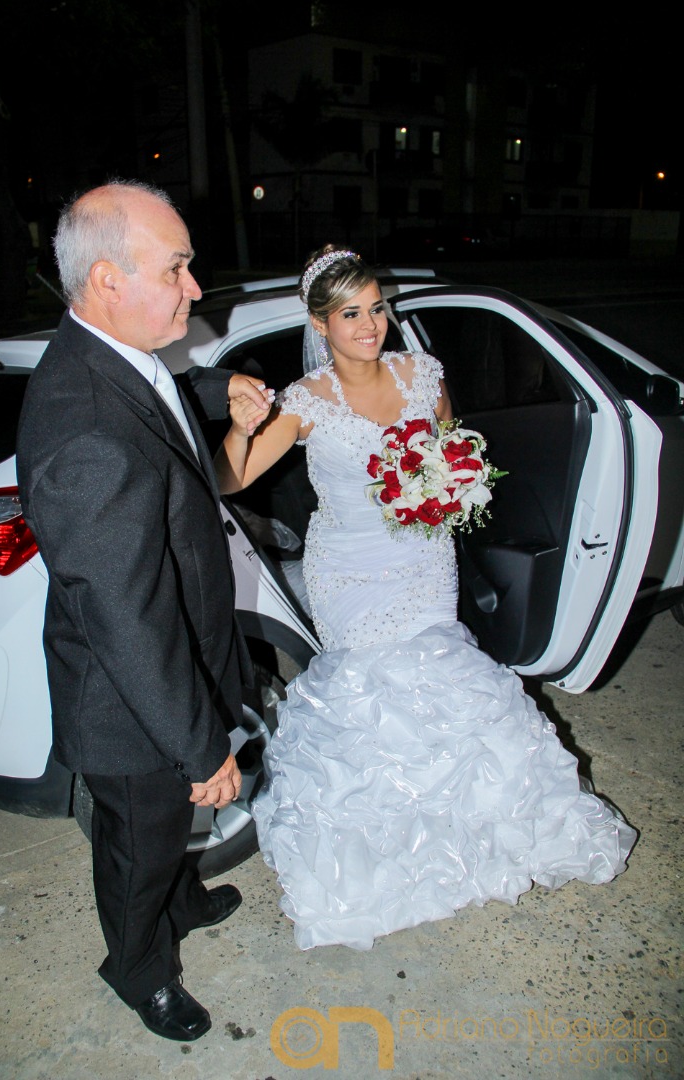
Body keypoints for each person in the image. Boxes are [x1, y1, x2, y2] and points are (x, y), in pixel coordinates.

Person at [216, 245, 637, 952]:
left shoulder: (424, 373)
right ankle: (381, 848)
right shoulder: (304, 401)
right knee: (369, 689)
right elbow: (230, 479)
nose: (369, 325)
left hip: (423, 557)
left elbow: (451, 445)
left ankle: (467, 828)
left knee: (445, 674)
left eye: (376, 308)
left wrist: (452, 486)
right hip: (349, 568)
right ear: (320, 322)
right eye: (350, 314)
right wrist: (240, 427)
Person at [16, 180, 273, 1040]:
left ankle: (182, 901)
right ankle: (138, 968)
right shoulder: (83, 427)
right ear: (107, 281)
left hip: (165, 670)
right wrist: (200, 746)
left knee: (169, 834)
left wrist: (223, 388)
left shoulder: (113, 354)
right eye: (177, 268)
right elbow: (127, 616)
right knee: (139, 844)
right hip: (130, 700)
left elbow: (163, 407)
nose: (195, 288)